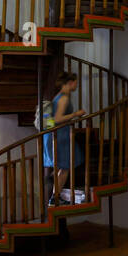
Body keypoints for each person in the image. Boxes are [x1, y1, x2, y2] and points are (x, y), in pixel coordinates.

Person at [42, 72, 86, 206]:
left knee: (63, 165)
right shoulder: (63, 98)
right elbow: (57, 119)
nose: (77, 85)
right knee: (66, 166)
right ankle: (55, 197)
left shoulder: (60, 96)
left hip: (59, 134)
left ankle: (52, 182)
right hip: (60, 135)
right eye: (76, 82)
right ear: (70, 82)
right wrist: (76, 114)